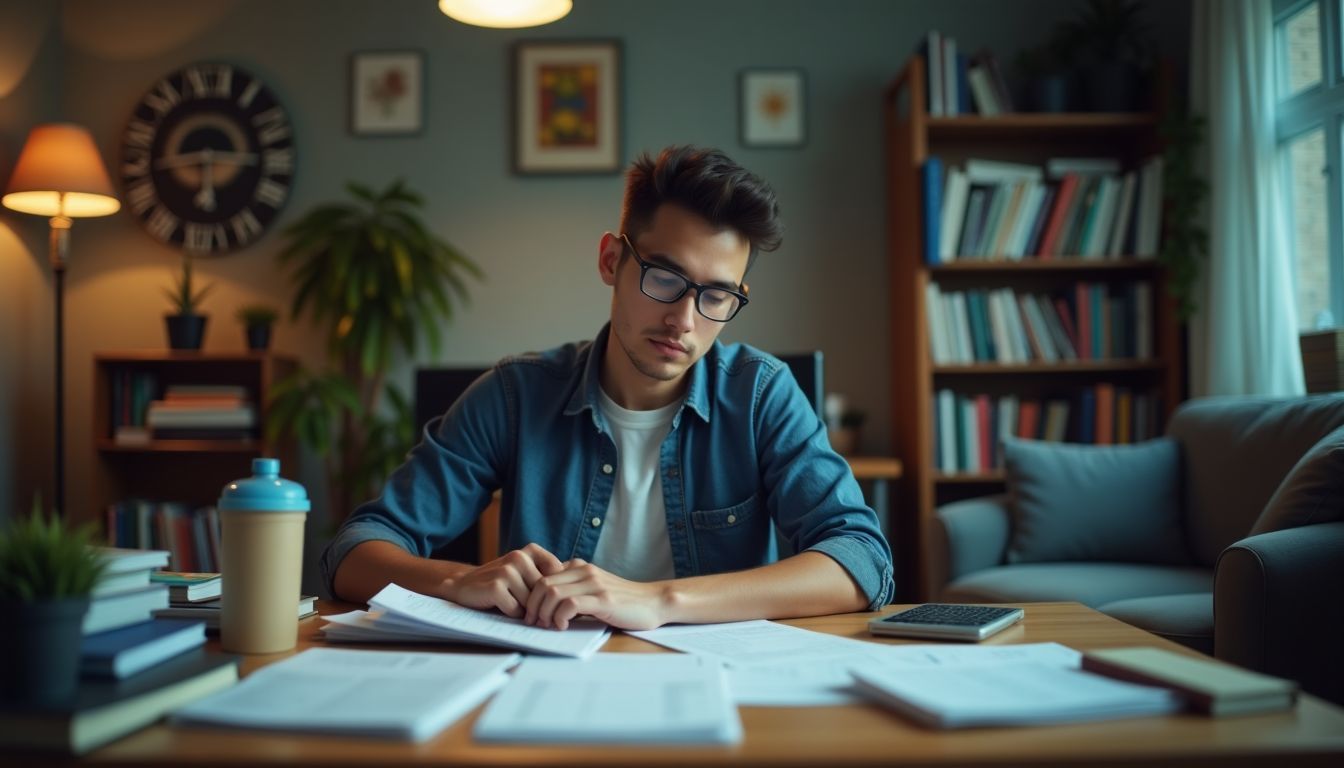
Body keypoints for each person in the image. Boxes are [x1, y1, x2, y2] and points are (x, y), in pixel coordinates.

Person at [321, 145, 893, 631]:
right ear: (612, 259)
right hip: (549, 684)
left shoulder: (762, 395)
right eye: (665, 278)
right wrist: (458, 578)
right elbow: (355, 551)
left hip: (720, 688)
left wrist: (658, 600)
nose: (685, 320)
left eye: (717, 296)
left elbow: (861, 558)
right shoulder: (515, 396)